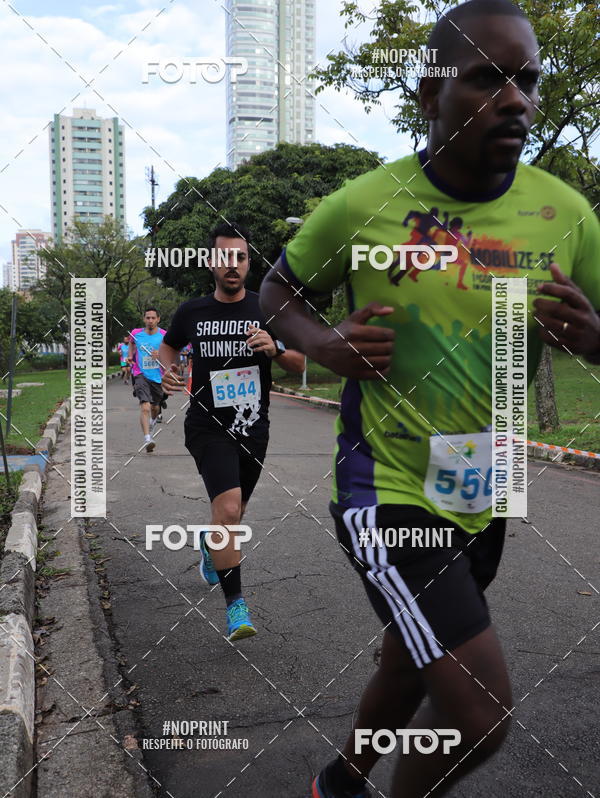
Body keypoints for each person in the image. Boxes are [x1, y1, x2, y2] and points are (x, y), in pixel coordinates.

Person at [259, 1, 600, 795]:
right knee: (479, 712)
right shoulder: (360, 204)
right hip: (388, 487)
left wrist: (593, 338)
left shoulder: (568, 213)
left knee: (409, 654)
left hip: (485, 485)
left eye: (528, 81)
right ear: (429, 95)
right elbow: (278, 289)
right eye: (489, 78)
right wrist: (322, 345)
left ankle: (340, 781)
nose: (515, 99)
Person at [159, 222, 304, 641]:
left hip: (253, 428)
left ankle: (210, 546)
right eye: (224, 258)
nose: (232, 265)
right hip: (207, 426)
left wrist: (275, 348)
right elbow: (169, 346)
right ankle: (236, 606)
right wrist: (168, 370)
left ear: (248, 262)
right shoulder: (192, 312)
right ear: (211, 263)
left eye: (239, 257)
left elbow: (299, 362)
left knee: (234, 515)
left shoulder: (268, 310)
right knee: (227, 510)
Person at [129, 308, 167, 453]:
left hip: (157, 376)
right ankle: (147, 439)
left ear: (158, 319)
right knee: (145, 406)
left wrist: (161, 355)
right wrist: (131, 357)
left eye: (153, 318)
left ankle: (152, 422)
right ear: (144, 319)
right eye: (148, 318)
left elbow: (171, 352)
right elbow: (132, 343)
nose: (150, 321)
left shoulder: (164, 335)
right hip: (140, 374)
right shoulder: (136, 334)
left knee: (155, 408)